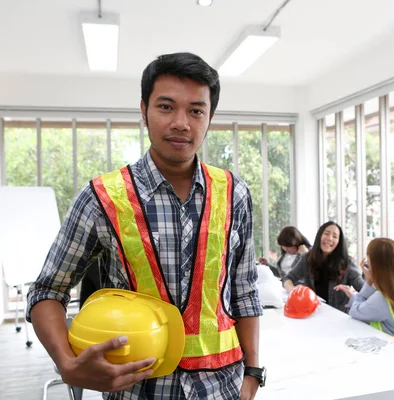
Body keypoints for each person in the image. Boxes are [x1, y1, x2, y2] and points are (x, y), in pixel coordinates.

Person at [26, 52, 264, 400]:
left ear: (210, 117)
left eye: (196, 110)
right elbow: (47, 291)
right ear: (144, 110)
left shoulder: (234, 193)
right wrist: (66, 363)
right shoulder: (102, 197)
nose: (181, 122)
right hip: (136, 392)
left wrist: (253, 375)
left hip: (223, 390)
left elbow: (245, 291)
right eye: (166, 107)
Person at [335, 238, 394, 349]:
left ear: (376, 265)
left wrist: (367, 283)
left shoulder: (382, 299)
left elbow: (355, 312)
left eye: (368, 258)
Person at [282, 221, 364, 313]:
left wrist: (370, 281)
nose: (329, 238)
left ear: (339, 242)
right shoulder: (307, 258)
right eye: (326, 233)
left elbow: (362, 288)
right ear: (319, 236)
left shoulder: (347, 262)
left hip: (338, 316)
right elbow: (288, 278)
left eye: (335, 236)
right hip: (313, 312)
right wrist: (292, 290)